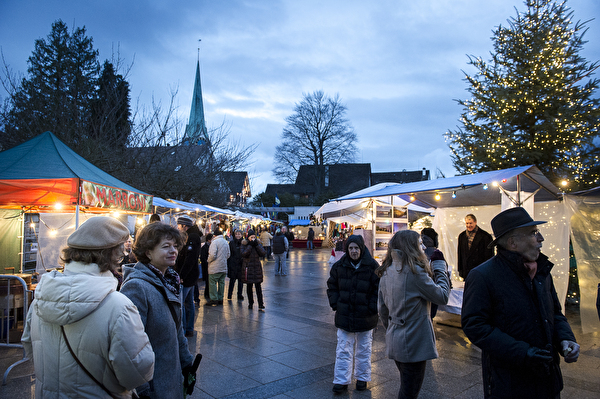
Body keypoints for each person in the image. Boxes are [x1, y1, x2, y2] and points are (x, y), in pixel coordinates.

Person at [22, 217, 155, 398]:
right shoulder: (119, 306)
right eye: (120, 253)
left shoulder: (40, 299)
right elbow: (138, 374)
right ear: (112, 255)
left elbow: (30, 350)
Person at [461, 207, 580, 398]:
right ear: (513, 242)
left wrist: (566, 339)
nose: (541, 238)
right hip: (509, 382)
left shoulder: (542, 271)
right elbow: (475, 326)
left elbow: (555, 313)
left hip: (548, 378)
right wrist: (523, 353)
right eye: (533, 233)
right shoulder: (483, 276)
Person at [121, 222, 197, 399]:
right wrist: (142, 390)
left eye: (175, 246)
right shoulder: (136, 287)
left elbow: (177, 329)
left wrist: (187, 365)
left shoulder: (169, 281)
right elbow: (129, 346)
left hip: (172, 377)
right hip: (154, 385)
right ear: (148, 252)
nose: (173, 251)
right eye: (166, 246)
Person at [376, 230, 450, 399]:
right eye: (419, 243)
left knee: (406, 386)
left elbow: (382, 309)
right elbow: (443, 296)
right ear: (411, 247)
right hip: (414, 342)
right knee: (409, 392)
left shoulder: (387, 270)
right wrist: (439, 266)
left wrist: (393, 328)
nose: (423, 247)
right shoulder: (414, 273)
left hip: (396, 339)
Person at [327, 235, 380, 394]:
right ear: (347, 249)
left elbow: (378, 290)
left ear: (362, 248)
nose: (354, 251)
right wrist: (336, 303)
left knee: (364, 349)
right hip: (345, 314)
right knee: (343, 348)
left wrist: (372, 307)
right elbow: (332, 286)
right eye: (351, 248)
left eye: (356, 248)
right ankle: (341, 380)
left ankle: (362, 378)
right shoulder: (339, 266)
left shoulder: (372, 266)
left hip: (366, 316)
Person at [174, 215, 202, 337]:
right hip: (191, 275)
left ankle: (185, 329)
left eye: (179, 226)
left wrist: (181, 275)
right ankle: (189, 328)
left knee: (183, 303)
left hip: (188, 276)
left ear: (184, 226)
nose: (178, 227)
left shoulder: (192, 237)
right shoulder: (192, 235)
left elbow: (190, 259)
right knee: (189, 302)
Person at [421, 227, 450, 319]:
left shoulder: (418, 252)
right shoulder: (436, 253)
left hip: (423, 289)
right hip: (433, 288)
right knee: (430, 316)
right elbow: (443, 271)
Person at [457, 213, 494, 280]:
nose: (468, 225)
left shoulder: (485, 236)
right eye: (467, 223)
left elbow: (489, 256)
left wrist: (488, 271)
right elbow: (460, 254)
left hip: (480, 271)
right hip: (466, 272)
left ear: (475, 222)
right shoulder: (462, 236)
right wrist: (460, 270)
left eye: (470, 223)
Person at [241, 229, 266, 310]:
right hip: (249, 268)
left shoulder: (258, 244)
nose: (253, 239)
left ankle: (260, 304)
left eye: (254, 237)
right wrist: (250, 246)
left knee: (258, 287)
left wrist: (257, 245)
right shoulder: (244, 244)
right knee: (249, 287)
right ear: (248, 238)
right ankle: (250, 303)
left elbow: (263, 253)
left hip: (257, 268)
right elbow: (244, 254)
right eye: (251, 237)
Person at [206, 227, 230, 306]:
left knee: (212, 283)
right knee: (221, 283)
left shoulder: (214, 242)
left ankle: (214, 299)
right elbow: (228, 254)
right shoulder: (225, 242)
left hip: (214, 267)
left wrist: (208, 260)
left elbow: (212, 255)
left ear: (214, 235)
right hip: (223, 266)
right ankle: (220, 298)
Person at [227, 229, 245, 301]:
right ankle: (229, 294)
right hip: (233, 264)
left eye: (239, 234)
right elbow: (229, 253)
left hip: (241, 264)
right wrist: (229, 263)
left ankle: (239, 294)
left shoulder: (244, 243)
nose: (238, 235)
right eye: (236, 234)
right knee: (232, 280)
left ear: (241, 235)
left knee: (240, 281)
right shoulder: (231, 243)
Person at [200, 233, 213, 301]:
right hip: (206, 267)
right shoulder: (205, 247)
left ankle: (208, 293)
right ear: (208, 240)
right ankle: (207, 294)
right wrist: (207, 263)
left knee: (209, 281)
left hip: (210, 266)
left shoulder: (211, 246)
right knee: (208, 281)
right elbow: (203, 258)